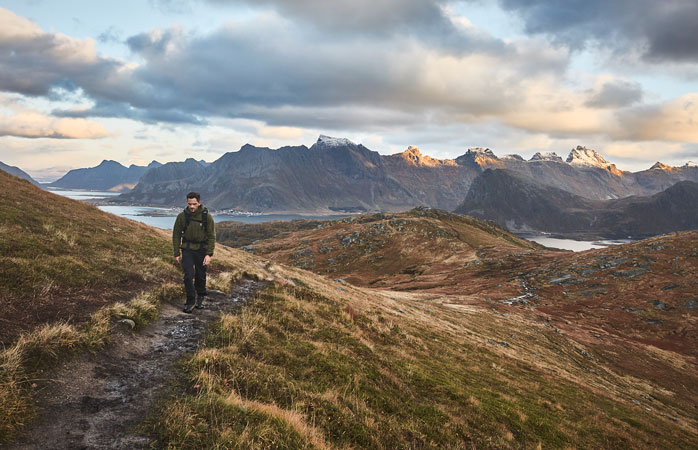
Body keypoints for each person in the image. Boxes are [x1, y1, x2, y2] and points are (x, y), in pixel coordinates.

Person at [172, 192, 215, 313]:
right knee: (188, 276)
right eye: (189, 204)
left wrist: (209, 254)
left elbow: (212, 236)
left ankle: (200, 299)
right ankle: (190, 301)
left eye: (194, 204)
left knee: (201, 276)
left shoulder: (207, 217)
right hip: (187, 250)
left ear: (199, 203)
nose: (191, 206)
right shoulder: (182, 216)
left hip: (202, 251)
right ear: (187, 203)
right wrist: (176, 253)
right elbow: (176, 235)